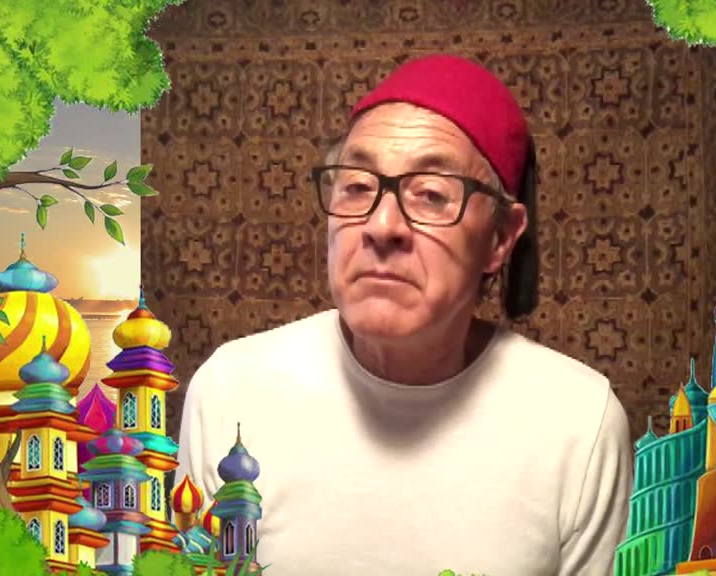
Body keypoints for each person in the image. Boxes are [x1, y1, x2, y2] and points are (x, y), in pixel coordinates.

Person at [175, 53, 633, 575]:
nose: (381, 225)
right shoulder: (231, 391)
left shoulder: (579, 421)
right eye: (357, 186)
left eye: (431, 195)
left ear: (500, 238)